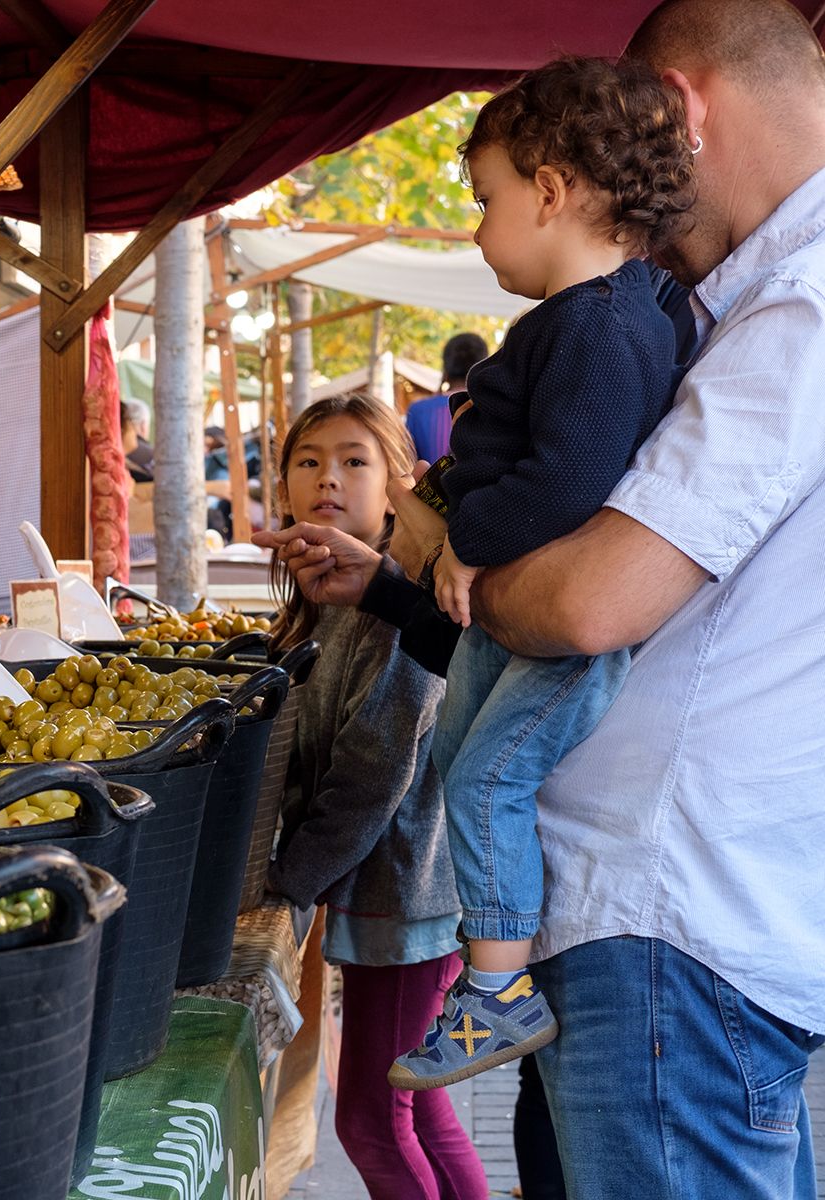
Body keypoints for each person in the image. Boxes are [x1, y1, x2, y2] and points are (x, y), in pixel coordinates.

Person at [263, 2, 825, 1193]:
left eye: (487, 199)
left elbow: (587, 605)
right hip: (640, 920)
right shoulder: (715, 297)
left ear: (675, 111)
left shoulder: (800, 304)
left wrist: (440, 529)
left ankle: (492, 980)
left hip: (675, 929)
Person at [386, 56, 694, 1091]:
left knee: (483, 781)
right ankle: (501, 959)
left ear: (551, 191)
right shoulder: (598, 316)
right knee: (459, 767)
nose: (477, 227)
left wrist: (467, 539)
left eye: (485, 200)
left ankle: (498, 992)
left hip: (559, 634)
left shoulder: (605, 324)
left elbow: (568, 479)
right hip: (508, 620)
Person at [264, 394, 487, 1200]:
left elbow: (370, 776)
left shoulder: (394, 604)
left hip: (409, 897)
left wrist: (288, 882)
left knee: (370, 1118)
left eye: (355, 461)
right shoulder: (327, 598)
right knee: (420, 1112)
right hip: (402, 893)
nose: (329, 479)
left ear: (398, 481)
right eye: (310, 460)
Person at [403, 332, 488, 464]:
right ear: (485, 366)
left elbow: (407, 464)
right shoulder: (492, 409)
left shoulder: (418, 411)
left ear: (446, 368)